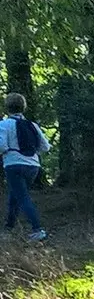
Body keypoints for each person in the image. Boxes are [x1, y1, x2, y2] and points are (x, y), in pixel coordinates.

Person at [2, 93, 50, 243]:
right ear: (24, 107)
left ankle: (37, 229)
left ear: (7, 107)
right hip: (33, 166)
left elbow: (1, 145)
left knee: (22, 197)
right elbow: (45, 146)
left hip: (13, 164)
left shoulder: (4, 125)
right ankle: (9, 228)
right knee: (15, 196)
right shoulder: (32, 125)